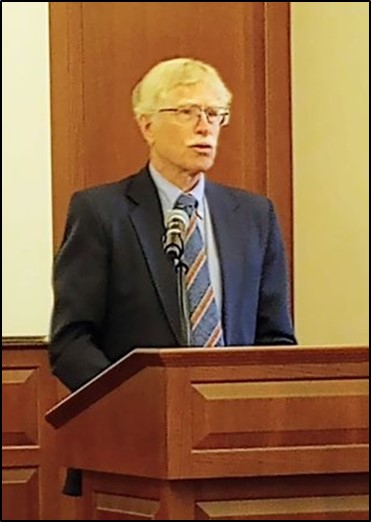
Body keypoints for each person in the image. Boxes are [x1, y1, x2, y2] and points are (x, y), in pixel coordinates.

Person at [49, 57, 297, 495]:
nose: (205, 127)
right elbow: (72, 341)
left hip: (233, 452)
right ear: (147, 126)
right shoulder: (101, 213)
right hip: (132, 453)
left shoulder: (255, 216)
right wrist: (141, 406)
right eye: (187, 112)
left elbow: (275, 338)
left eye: (215, 114)